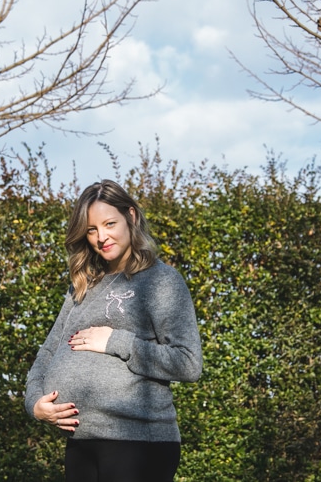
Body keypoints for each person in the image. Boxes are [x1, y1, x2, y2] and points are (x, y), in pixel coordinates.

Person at [24, 179, 203, 482]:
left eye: (109, 224)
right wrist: (34, 404)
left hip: (138, 442)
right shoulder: (83, 285)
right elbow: (49, 351)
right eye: (92, 229)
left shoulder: (160, 281)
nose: (101, 237)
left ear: (131, 217)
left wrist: (115, 341)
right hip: (82, 441)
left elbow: (188, 363)